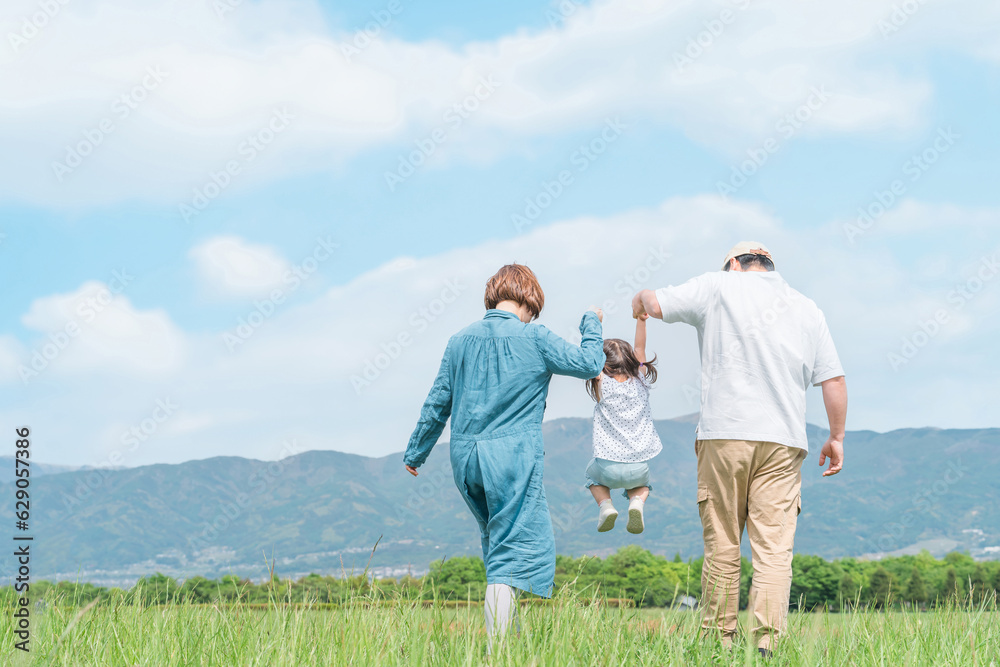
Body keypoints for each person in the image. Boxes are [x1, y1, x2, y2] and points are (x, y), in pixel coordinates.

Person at [631, 242, 847, 659]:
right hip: (784, 441)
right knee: (773, 551)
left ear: (733, 264)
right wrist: (836, 437)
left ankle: (718, 644)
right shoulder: (807, 308)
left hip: (723, 435)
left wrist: (637, 303)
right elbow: (833, 380)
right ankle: (766, 646)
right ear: (768, 266)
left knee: (723, 544)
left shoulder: (718, 285)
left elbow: (653, 302)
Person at [403, 263, 605, 652]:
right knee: (508, 554)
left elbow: (437, 403)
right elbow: (588, 364)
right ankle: (499, 651)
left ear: (494, 295)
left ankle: (505, 640)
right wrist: (591, 323)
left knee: (498, 545)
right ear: (530, 300)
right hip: (511, 455)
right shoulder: (535, 336)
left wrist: (417, 452)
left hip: (465, 458)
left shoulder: (459, 340)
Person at [583, 313, 662, 534]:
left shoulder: (601, 382)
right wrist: (641, 320)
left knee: (591, 477)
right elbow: (640, 348)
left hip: (605, 467)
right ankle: (637, 502)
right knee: (643, 486)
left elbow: (590, 359)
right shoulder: (641, 379)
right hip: (638, 467)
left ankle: (606, 506)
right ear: (631, 361)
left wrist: (594, 325)